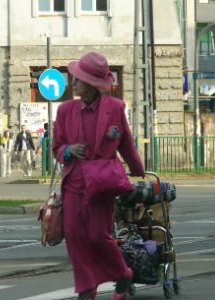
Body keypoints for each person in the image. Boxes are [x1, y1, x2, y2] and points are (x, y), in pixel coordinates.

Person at [53, 52, 145, 300]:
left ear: (92, 84)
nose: (73, 84)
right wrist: (69, 150)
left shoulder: (115, 108)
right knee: (74, 236)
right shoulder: (65, 110)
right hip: (74, 182)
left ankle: (122, 273)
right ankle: (87, 288)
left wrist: (138, 170)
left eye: (78, 80)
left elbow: (125, 143)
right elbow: (57, 148)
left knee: (97, 235)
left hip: (102, 183)